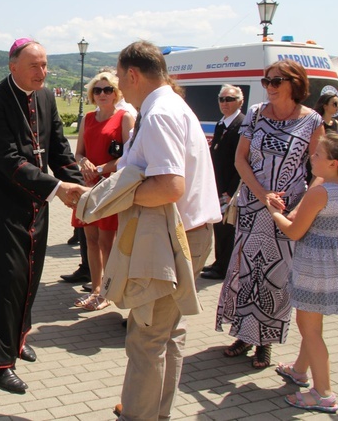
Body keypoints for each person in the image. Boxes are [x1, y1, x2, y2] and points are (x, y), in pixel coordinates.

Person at [106, 40, 221, 420]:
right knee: (167, 334)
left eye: (120, 79)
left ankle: (140, 415)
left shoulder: (158, 112)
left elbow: (170, 186)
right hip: (189, 234)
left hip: (174, 240)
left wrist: (117, 198)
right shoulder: (168, 104)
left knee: (146, 338)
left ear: (133, 75)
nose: (119, 87)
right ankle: (155, 411)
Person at [0, 38, 84, 394]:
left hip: (35, 205)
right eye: (34, 66)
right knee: (3, 283)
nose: (42, 73)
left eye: (45, 65)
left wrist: (80, 189)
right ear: (13, 66)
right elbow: (8, 159)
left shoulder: (46, 97)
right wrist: (57, 189)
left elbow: (59, 148)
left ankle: (16, 340)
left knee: (28, 279)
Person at [216, 59, 325, 369]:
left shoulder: (312, 121)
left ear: (295, 83)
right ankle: (243, 335)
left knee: (276, 275)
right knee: (246, 271)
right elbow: (240, 159)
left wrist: (302, 206)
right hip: (253, 205)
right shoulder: (256, 113)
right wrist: (262, 194)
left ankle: (266, 342)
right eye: (267, 81)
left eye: (276, 81)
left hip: (287, 210)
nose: (270, 87)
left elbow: (318, 169)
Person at [266, 133, 338, 414]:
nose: (311, 157)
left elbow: (293, 231)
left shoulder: (321, 192)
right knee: (313, 322)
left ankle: (323, 393)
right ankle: (300, 370)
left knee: (310, 328)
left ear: (333, 163)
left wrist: (273, 211)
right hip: (336, 266)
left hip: (314, 268)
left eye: (318, 154)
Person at [71, 71, 135, 310]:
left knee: (107, 241)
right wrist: (82, 163)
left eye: (107, 90)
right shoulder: (88, 118)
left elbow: (128, 157)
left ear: (116, 92)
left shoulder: (124, 118)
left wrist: (98, 168)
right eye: (97, 90)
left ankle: (108, 292)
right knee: (90, 239)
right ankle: (96, 288)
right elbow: (78, 152)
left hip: (110, 185)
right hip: (89, 185)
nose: (102, 94)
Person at [201, 84, 245, 280]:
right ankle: (219, 262)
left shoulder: (241, 125)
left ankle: (224, 267)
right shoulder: (222, 124)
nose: (225, 103)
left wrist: (230, 190)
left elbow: (241, 160)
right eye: (222, 99)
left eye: (230, 99)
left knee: (228, 228)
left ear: (240, 102)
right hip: (217, 184)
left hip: (229, 187)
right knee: (218, 226)